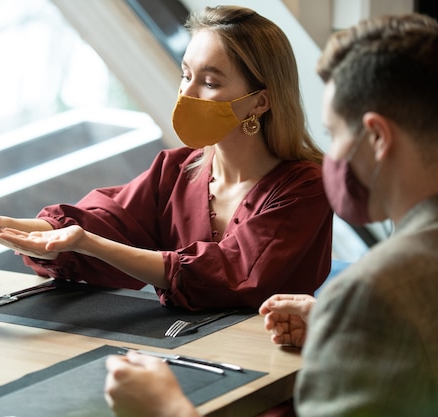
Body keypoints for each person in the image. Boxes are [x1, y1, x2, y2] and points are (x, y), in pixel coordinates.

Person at [105, 11, 438, 417]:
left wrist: (167, 409)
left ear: (377, 137)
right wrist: (342, 327)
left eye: (334, 135)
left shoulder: (375, 291)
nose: (329, 157)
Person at [0, 5, 332, 311]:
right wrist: (1, 225)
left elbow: (232, 273)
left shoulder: (307, 187)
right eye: (186, 75)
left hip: (274, 376)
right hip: (182, 355)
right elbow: (103, 222)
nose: (188, 92)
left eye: (211, 82)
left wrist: (89, 244)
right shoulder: (176, 170)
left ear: (260, 101)